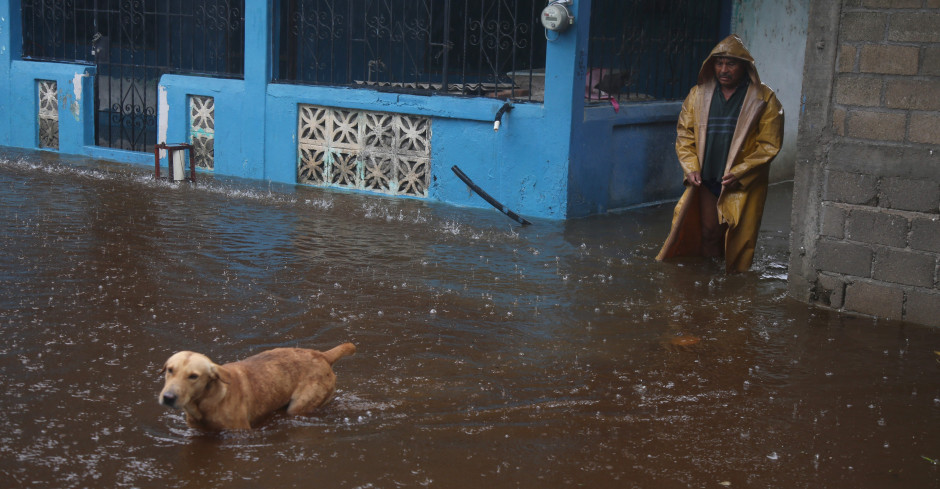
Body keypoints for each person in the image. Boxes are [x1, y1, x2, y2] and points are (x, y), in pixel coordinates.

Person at [656, 35, 784, 272]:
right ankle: (710, 281)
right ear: (711, 65)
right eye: (719, 63)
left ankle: (732, 285)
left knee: (737, 235)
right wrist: (691, 166)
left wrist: (742, 171)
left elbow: (769, 144)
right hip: (707, 178)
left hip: (742, 180)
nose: (724, 70)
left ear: (745, 66)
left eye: (731, 63)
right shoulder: (698, 95)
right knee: (709, 232)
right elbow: (685, 134)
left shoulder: (764, 98)